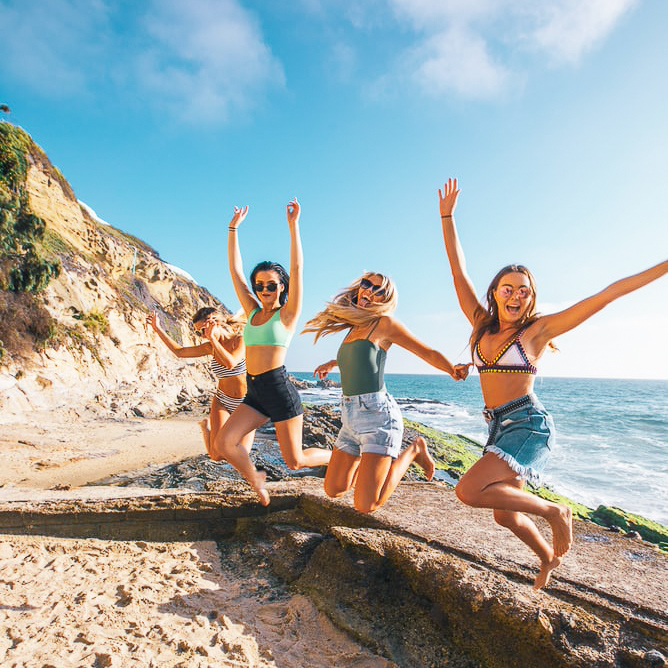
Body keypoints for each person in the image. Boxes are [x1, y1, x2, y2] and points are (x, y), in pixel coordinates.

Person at [438, 177, 668, 588]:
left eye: (523, 291)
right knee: (505, 513)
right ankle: (547, 560)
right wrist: (447, 216)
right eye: (507, 288)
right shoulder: (480, 324)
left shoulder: (537, 331)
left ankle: (555, 512)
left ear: (530, 297)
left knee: (468, 491)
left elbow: (607, 293)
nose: (515, 296)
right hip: (496, 424)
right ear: (495, 292)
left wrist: (664, 265)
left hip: (528, 424)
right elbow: (458, 269)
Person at [303, 271, 470, 513]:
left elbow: (427, 351)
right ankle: (370, 465)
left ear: (385, 299)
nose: (369, 291)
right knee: (334, 489)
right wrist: (333, 362)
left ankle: (415, 449)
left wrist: (452, 369)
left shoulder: (385, 324)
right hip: (349, 417)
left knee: (366, 504)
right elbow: (361, 357)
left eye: (378, 290)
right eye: (366, 284)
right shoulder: (356, 326)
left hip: (378, 417)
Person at [210, 199, 331, 505]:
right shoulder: (251, 312)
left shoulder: (287, 314)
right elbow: (235, 272)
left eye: (272, 285)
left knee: (296, 460)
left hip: (279, 389)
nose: (265, 290)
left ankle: (341, 455)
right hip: (256, 391)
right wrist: (233, 228)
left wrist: (294, 226)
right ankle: (257, 480)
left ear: (281, 287)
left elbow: (298, 268)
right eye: (260, 285)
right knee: (225, 443)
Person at [147, 307, 253, 457]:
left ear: (213, 323)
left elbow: (231, 363)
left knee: (242, 454)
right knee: (216, 456)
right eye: (199, 333)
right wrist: (157, 329)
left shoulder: (240, 339)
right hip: (222, 399)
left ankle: (209, 429)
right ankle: (206, 429)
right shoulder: (210, 346)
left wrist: (213, 339)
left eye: (202, 330)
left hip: (246, 403)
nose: (202, 336)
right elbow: (180, 352)